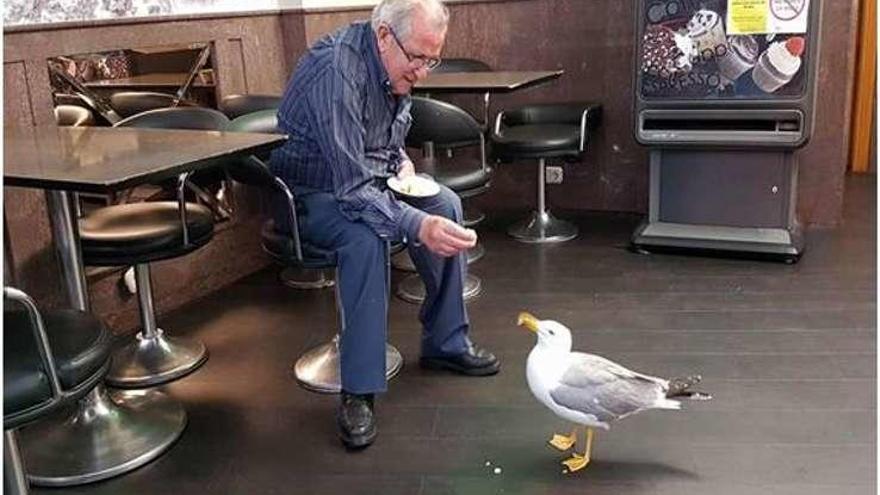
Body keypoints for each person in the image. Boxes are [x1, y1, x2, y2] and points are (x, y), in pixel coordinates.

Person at [270, 0, 500, 450]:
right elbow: (352, 191)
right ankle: (359, 390)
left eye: (432, 59)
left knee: (446, 205)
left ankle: (446, 343)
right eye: (418, 57)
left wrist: (403, 165)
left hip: (368, 180)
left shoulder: (397, 62)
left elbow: (387, 142)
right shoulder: (337, 69)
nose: (423, 71)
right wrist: (415, 225)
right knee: (365, 235)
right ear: (382, 36)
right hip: (309, 195)